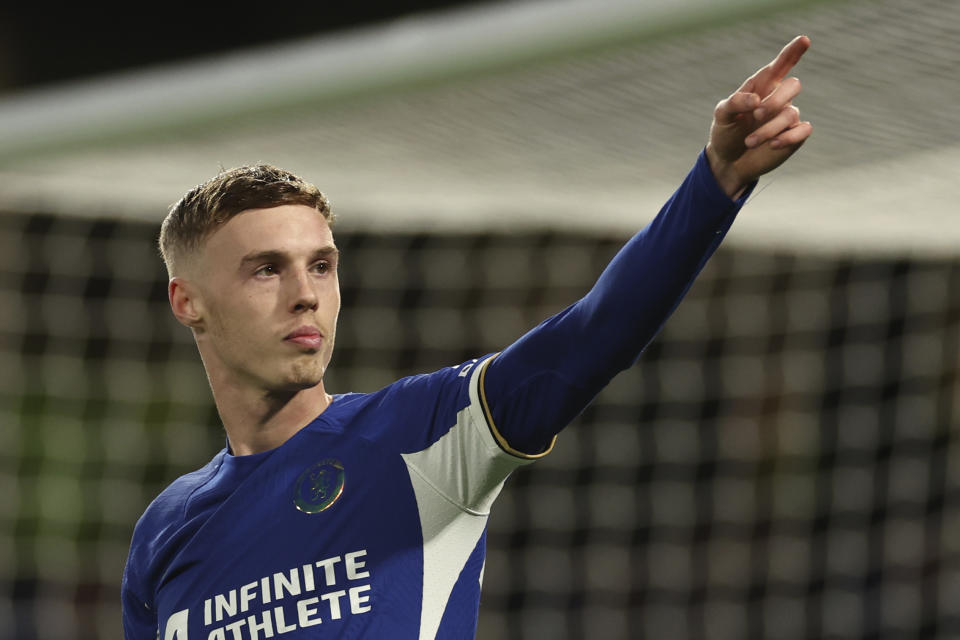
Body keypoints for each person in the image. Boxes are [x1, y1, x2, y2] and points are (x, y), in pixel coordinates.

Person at [122, 36, 813, 639]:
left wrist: (715, 181)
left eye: (322, 265)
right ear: (189, 302)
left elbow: (593, 335)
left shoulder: (420, 434)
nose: (307, 293)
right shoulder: (165, 530)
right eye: (266, 269)